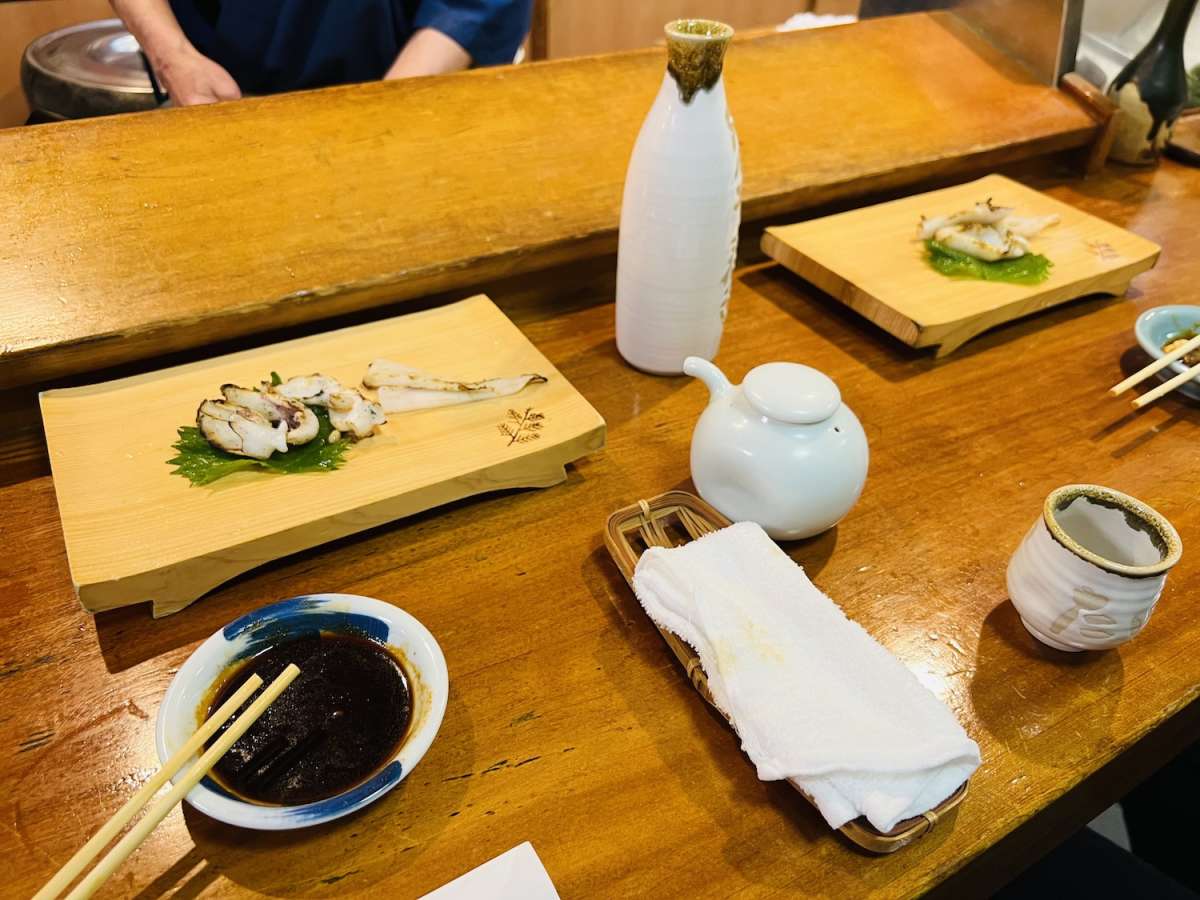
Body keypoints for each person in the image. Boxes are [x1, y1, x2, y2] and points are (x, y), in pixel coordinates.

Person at [110, 0, 532, 106]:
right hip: (214, 99)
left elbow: (476, 7)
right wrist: (172, 55)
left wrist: (384, 112)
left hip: (404, 87)